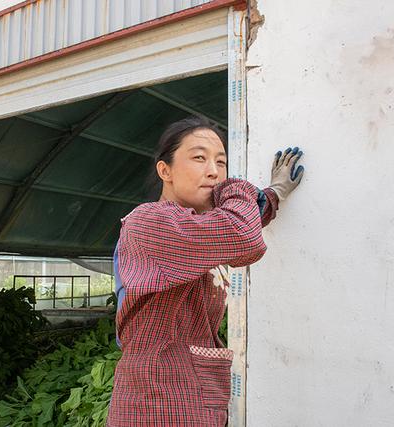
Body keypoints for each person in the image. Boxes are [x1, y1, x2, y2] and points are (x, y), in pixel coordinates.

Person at [106, 117, 304, 426]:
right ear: (165, 170)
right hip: (156, 404)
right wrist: (234, 187)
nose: (213, 171)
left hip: (194, 398)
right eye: (199, 158)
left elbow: (234, 225)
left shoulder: (196, 228)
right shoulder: (149, 223)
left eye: (221, 162)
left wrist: (274, 192)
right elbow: (240, 234)